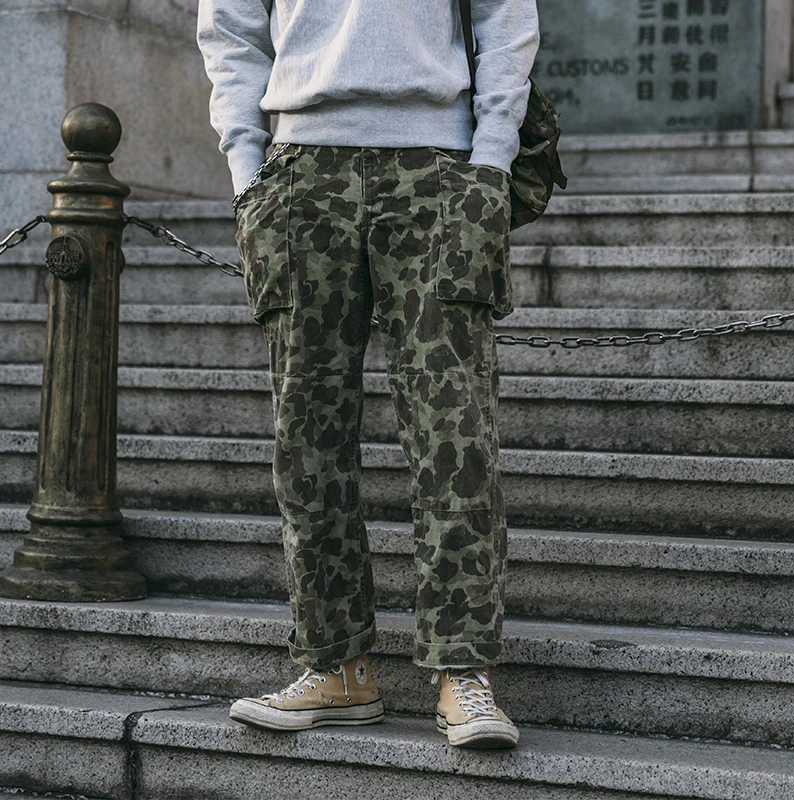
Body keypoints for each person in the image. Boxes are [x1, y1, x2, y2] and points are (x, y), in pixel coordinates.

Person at [197, 0, 539, 749]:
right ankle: (335, 664)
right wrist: (247, 174)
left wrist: (490, 161)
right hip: (300, 170)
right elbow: (230, 27)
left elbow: (506, 16)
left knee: (455, 433)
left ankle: (463, 671)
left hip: (438, 167)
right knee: (306, 436)